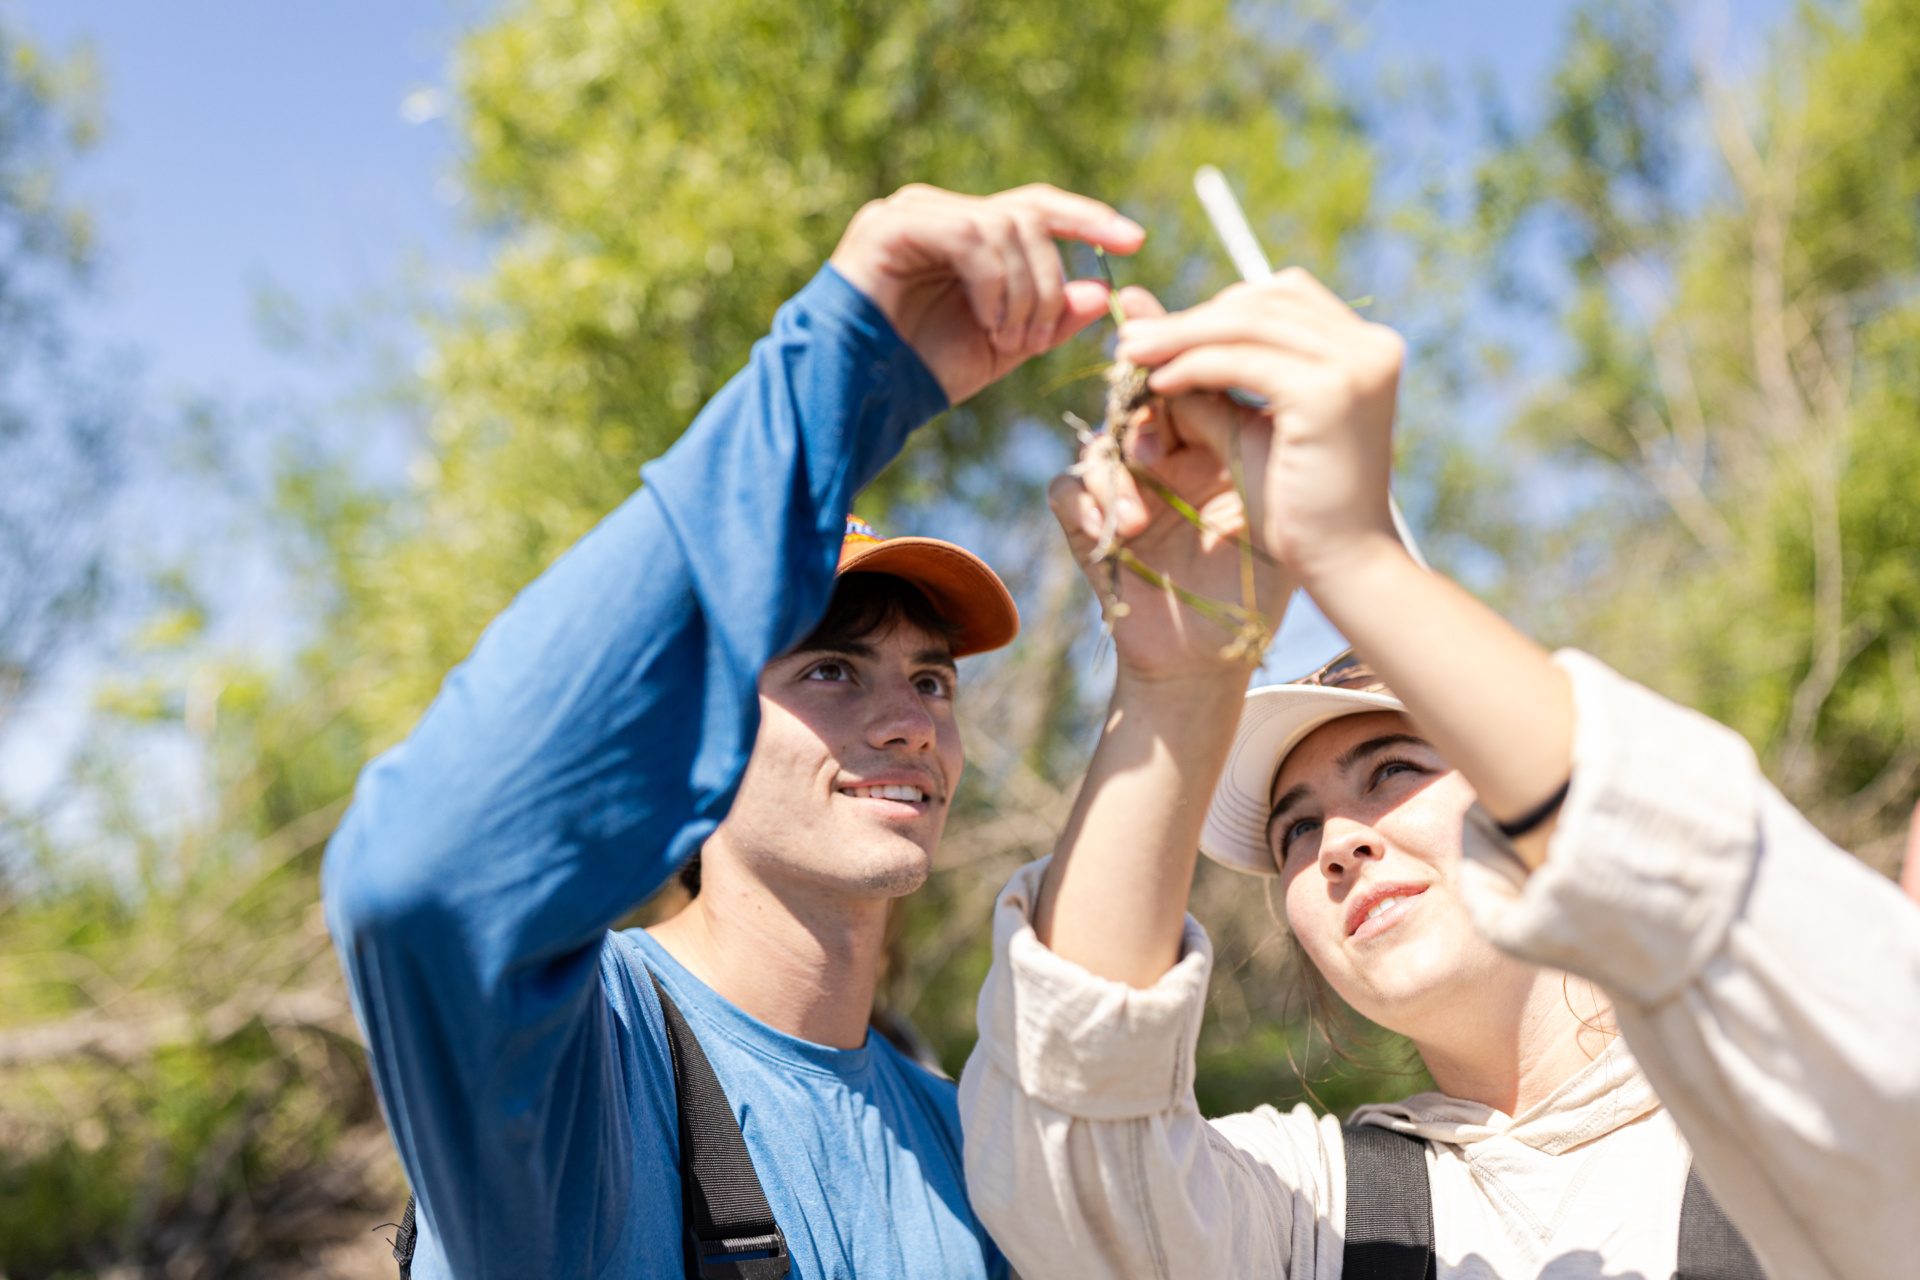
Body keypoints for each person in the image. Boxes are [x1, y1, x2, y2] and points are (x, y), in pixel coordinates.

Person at [958, 270, 1920, 1278]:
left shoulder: (1777, 1116)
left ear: (1516, 810)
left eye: (1391, 768)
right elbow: (1074, 1168)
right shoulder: (1312, 1214)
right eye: (1294, 828)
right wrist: (1171, 683)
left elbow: (1775, 936)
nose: (1337, 842)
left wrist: (1353, 557)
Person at [322, 181, 1147, 1279]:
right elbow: (417, 877)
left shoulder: (969, 1139)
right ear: (701, 724)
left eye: (933, 680)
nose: (908, 723)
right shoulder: (585, 1060)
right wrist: (840, 363)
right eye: (831, 668)